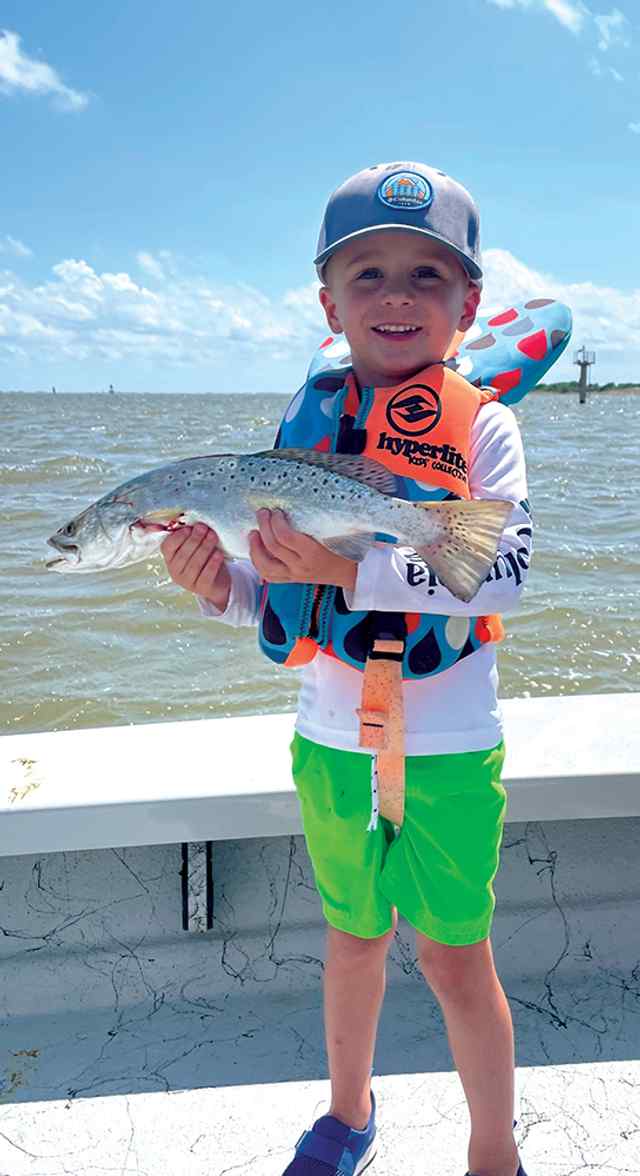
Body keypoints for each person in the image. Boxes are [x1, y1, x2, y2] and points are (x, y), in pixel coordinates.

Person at [161, 161, 531, 1176]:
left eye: (427, 274)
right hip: (329, 743)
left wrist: (349, 561)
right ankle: (348, 1114)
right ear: (329, 303)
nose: (397, 295)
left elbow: (498, 573)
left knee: (457, 961)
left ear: (469, 303)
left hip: (449, 750)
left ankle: (493, 1151)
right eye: (367, 275)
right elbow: (271, 593)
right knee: (353, 940)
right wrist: (217, 584)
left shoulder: (487, 426)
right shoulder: (297, 427)